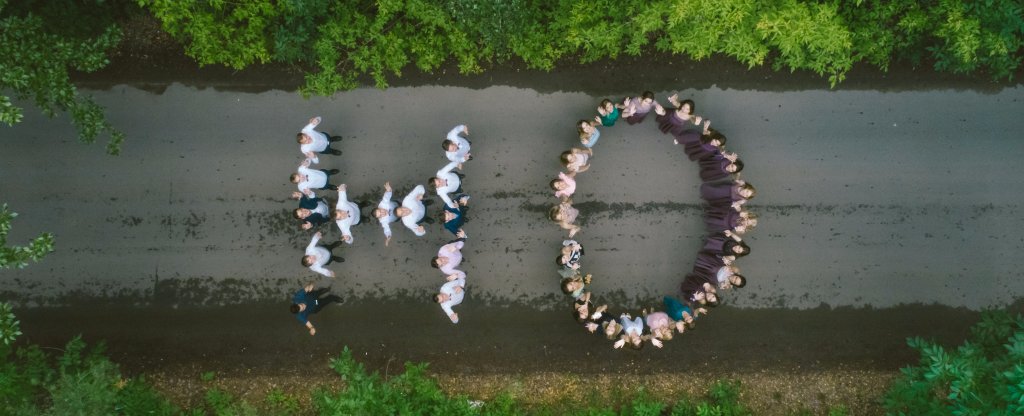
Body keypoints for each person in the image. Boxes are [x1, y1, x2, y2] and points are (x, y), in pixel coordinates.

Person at [373, 182, 399, 246]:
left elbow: (386, 197)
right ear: (379, 218)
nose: (383, 213)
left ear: (379, 207)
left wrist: (388, 191)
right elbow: (386, 229)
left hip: (398, 205)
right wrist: (388, 236)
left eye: (380, 211)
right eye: (381, 215)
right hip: (397, 217)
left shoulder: (383, 204)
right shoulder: (383, 221)